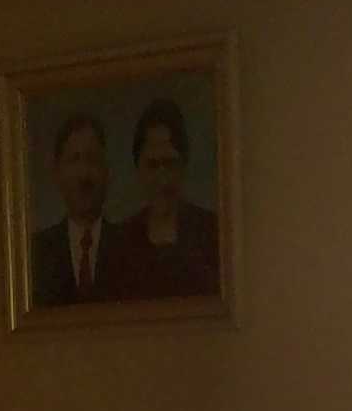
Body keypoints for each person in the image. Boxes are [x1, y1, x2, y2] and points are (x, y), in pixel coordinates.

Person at [96, 94, 221, 300]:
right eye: (152, 165)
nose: (162, 179)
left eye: (169, 163)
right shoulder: (119, 243)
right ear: (138, 169)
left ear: (183, 166)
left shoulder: (211, 232)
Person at [27, 107, 115, 306]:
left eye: (92, 159)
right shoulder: (35, 255)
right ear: (57, 173)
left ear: (107, 172)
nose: (84, 174)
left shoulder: (130, 248)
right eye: (74, 160)